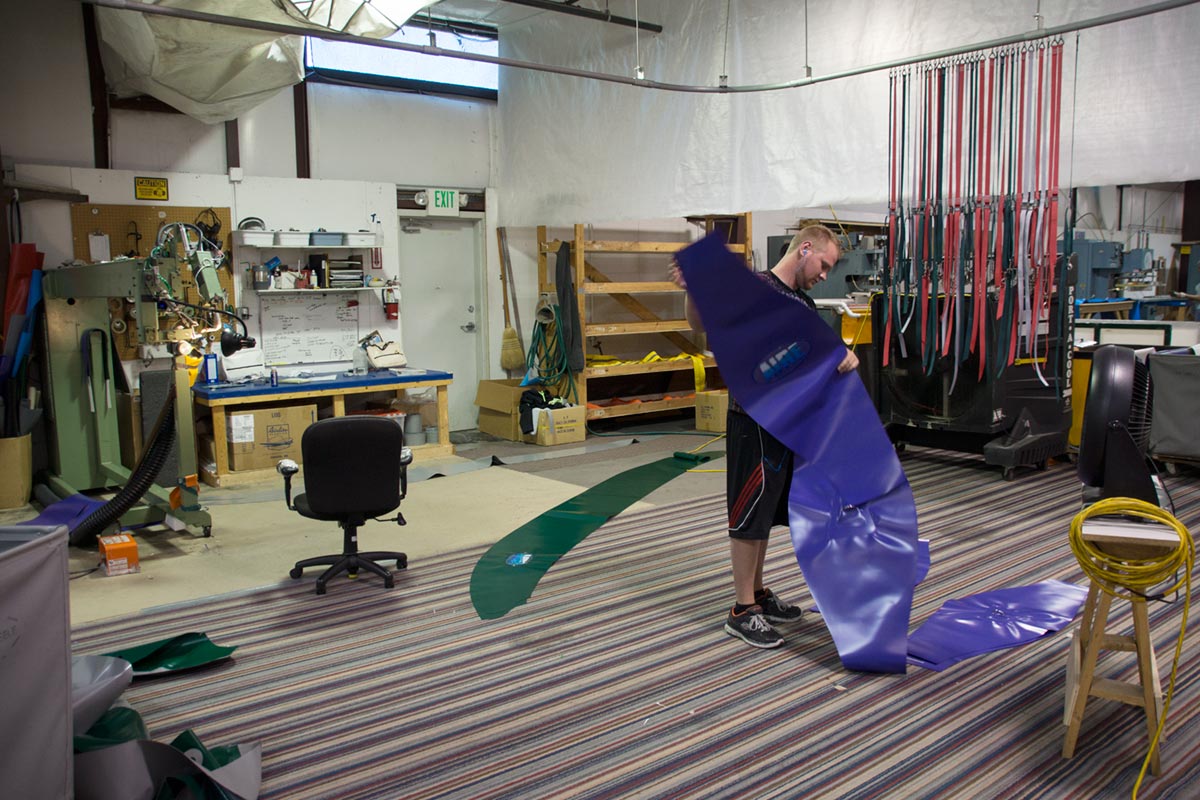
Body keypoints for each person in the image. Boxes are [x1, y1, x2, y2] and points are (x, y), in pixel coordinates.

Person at [671, 224, 860, 649]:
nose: (824, 275)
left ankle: (756, 593)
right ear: (805, 248)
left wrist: (838, 356)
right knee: (748, 511)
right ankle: (741, 610)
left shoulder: (802, 302)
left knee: (767, 513)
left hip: (786, 422)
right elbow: (701, 322)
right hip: (753, 417)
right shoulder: (756, 286)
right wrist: (694, 289)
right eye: (824, 265)